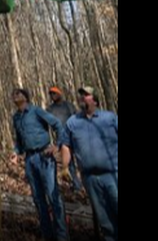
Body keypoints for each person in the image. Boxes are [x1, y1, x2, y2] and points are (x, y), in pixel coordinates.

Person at [9, 88, 69, 240]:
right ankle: (47, 235)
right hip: (29, 160)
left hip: (44, 156)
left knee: (52, 195)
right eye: (14, 94)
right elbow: (19, 140)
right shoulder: (16, 117)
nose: (15, 96)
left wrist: (57, 145)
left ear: (26, 97)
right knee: (38, 199)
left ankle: (62, 235)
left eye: (19, 93)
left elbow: (56, 124)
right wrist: (16, 152)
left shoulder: (36, 111)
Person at [61, 86, 118, 241]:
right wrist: (65, 167)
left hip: (113, 175)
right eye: (81, 95)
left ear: (95, 99)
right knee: (104, 219)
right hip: (90, 179)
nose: (82, 97)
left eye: (86, 95)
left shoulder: (110, 118)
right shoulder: (73, 122)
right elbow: (66, 145)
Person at [45, 86, 82, 194]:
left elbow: (77, 118)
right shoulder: (50, 109)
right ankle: (77, 186)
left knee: (81, 160)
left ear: (60, 93)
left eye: (54, 93)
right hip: (62, 138)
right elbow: (47, 124)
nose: (52, 96)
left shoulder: (69, 106)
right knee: (68, 163)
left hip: (75, 136)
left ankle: (87, 183)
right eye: (51, 94)